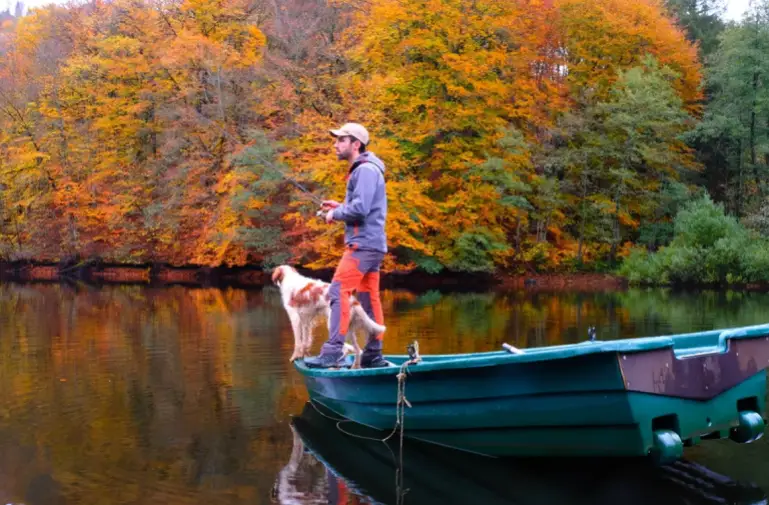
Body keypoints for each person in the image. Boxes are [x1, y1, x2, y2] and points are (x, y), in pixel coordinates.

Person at [303, 122, 389, 369]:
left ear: (356, 144)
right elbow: (364, 206)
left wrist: (335, 214)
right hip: (372, 245)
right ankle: (373, 354)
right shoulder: (367, 170)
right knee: (369, 298)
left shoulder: (365, 171)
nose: (335, 144)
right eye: (337, 139)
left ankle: (333, 352)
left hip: (362, 246)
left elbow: (360, 209)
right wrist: (339, 206)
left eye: (341, 140)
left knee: (337, 291)